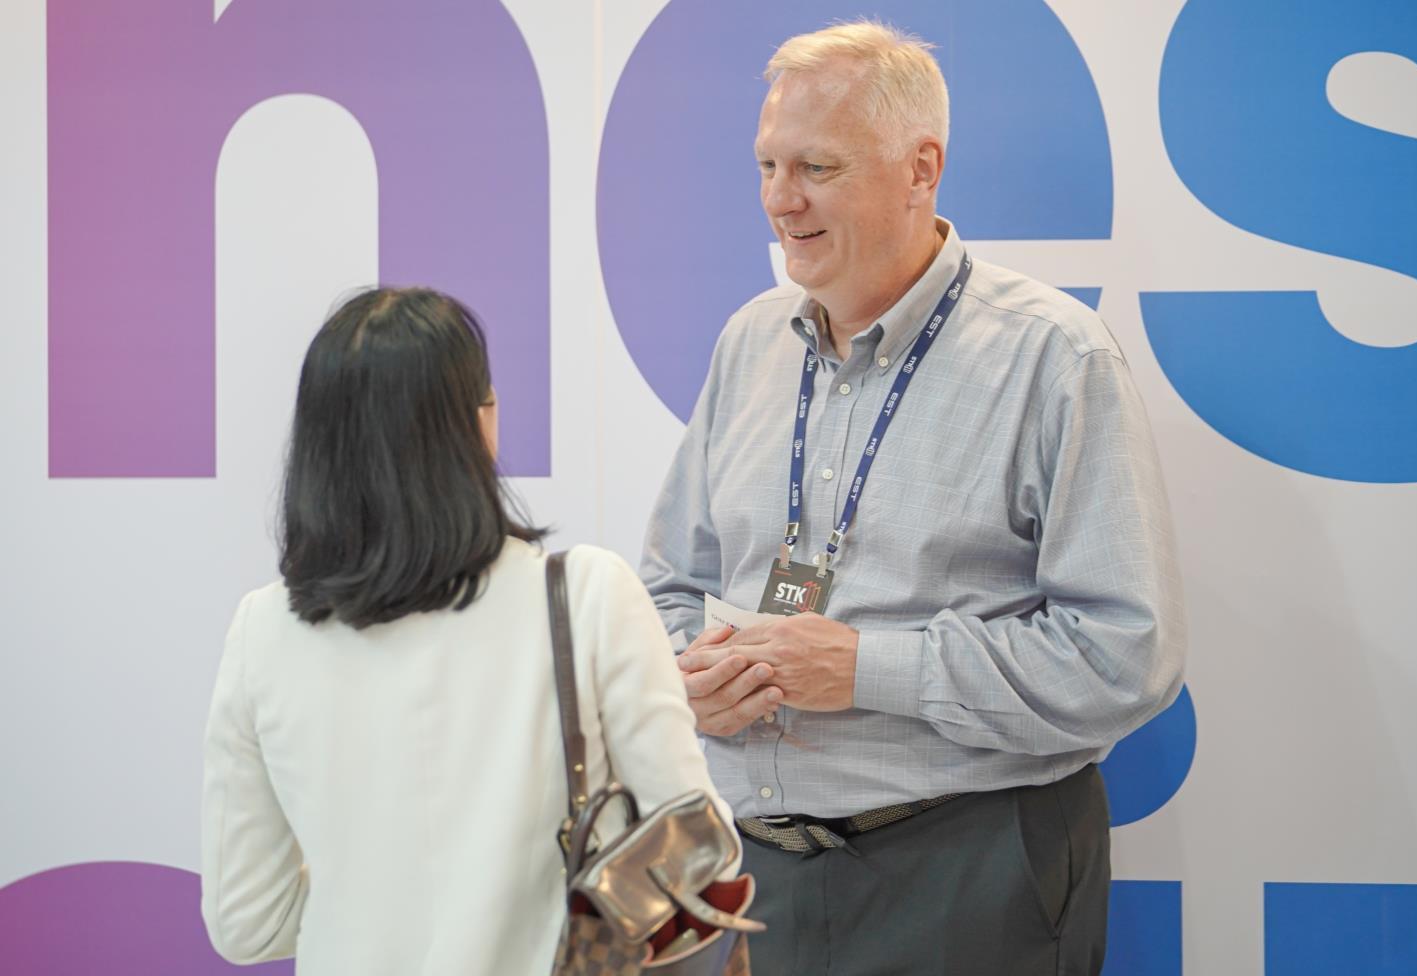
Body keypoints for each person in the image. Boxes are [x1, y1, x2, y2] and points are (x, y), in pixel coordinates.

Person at [639, 21, 1186, 975]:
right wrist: (687, 675)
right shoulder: (749, 342)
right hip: (749, 873)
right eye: (767, 165)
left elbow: (1122, 656)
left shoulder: (1052, 357)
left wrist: (867, 670)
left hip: (966, 871)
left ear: (920, 169)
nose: (779, 200)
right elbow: (668, 584)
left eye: (816, 167)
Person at [200, 287, 738, 975]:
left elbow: (246, 923)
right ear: (479, 424)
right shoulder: (587, 596)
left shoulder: (263, 631)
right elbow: (701, 855)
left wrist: (364, 883)